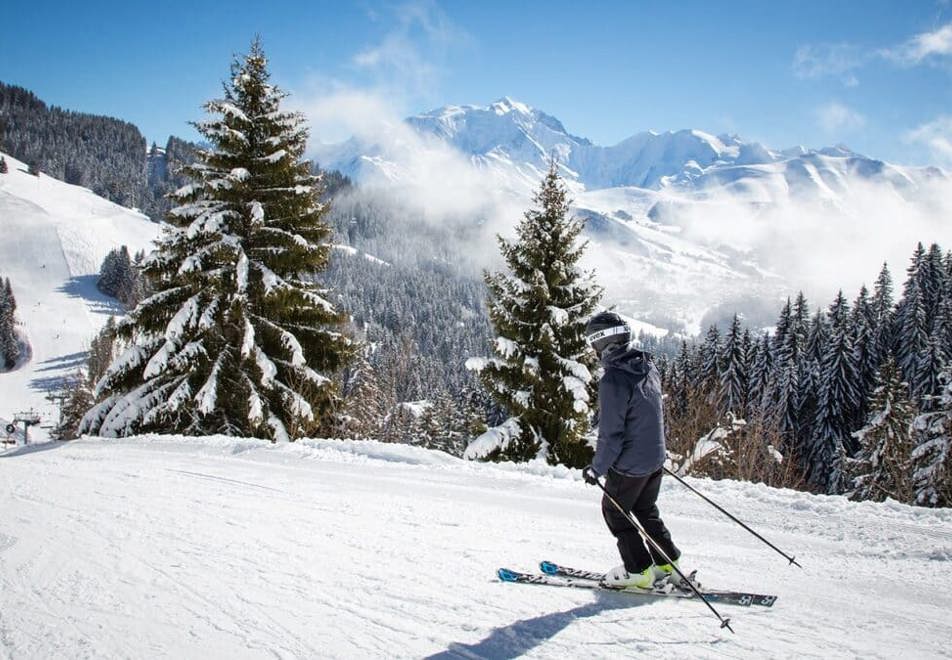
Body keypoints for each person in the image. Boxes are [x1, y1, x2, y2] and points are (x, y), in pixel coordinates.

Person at [581, 311, 682, 589]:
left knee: (615, 512)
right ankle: (667, 563)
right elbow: (646, 412)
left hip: (631, 464)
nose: (592, 349)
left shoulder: (613, 379)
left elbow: (611, 435)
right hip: (655, 457)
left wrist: (597, 468)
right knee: (645, 508)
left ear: (602, 343)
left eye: (593, 343)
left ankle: (639, 571)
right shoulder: (647, 366)